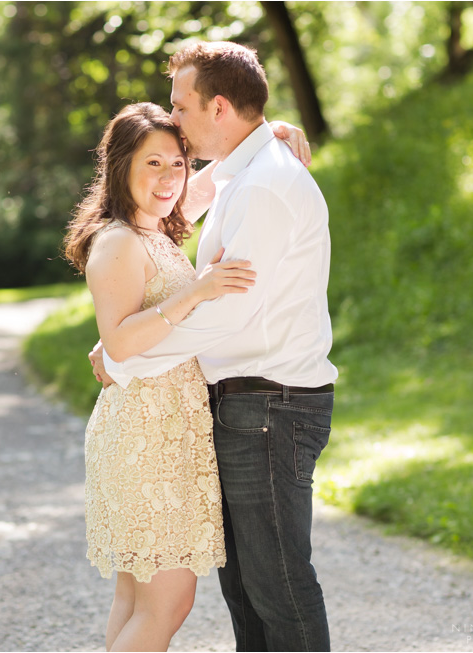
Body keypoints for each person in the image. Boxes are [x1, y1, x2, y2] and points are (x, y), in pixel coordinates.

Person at [93, 41, 337, 652]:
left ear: (219, 106)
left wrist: (125, 357)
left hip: (269, 405)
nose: (174, 121)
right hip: (225, 410)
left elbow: (227, 313)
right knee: (244, 587)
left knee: (273, 584)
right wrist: (267, 130)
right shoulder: (238, 179)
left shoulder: (261, 185)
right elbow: (180, 189)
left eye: (180, 107)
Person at [64, 102, 259, 651]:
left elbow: (209, 181)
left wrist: (274, 133)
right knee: (167, 602)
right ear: (121, 166)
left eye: (178, 163)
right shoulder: (120, 241)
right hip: (145, 440)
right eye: (153, 164)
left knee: (136, 600)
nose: (170, 178)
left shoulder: (153, 234)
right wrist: (199, 289)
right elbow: (122, 340)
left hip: (164, 432)